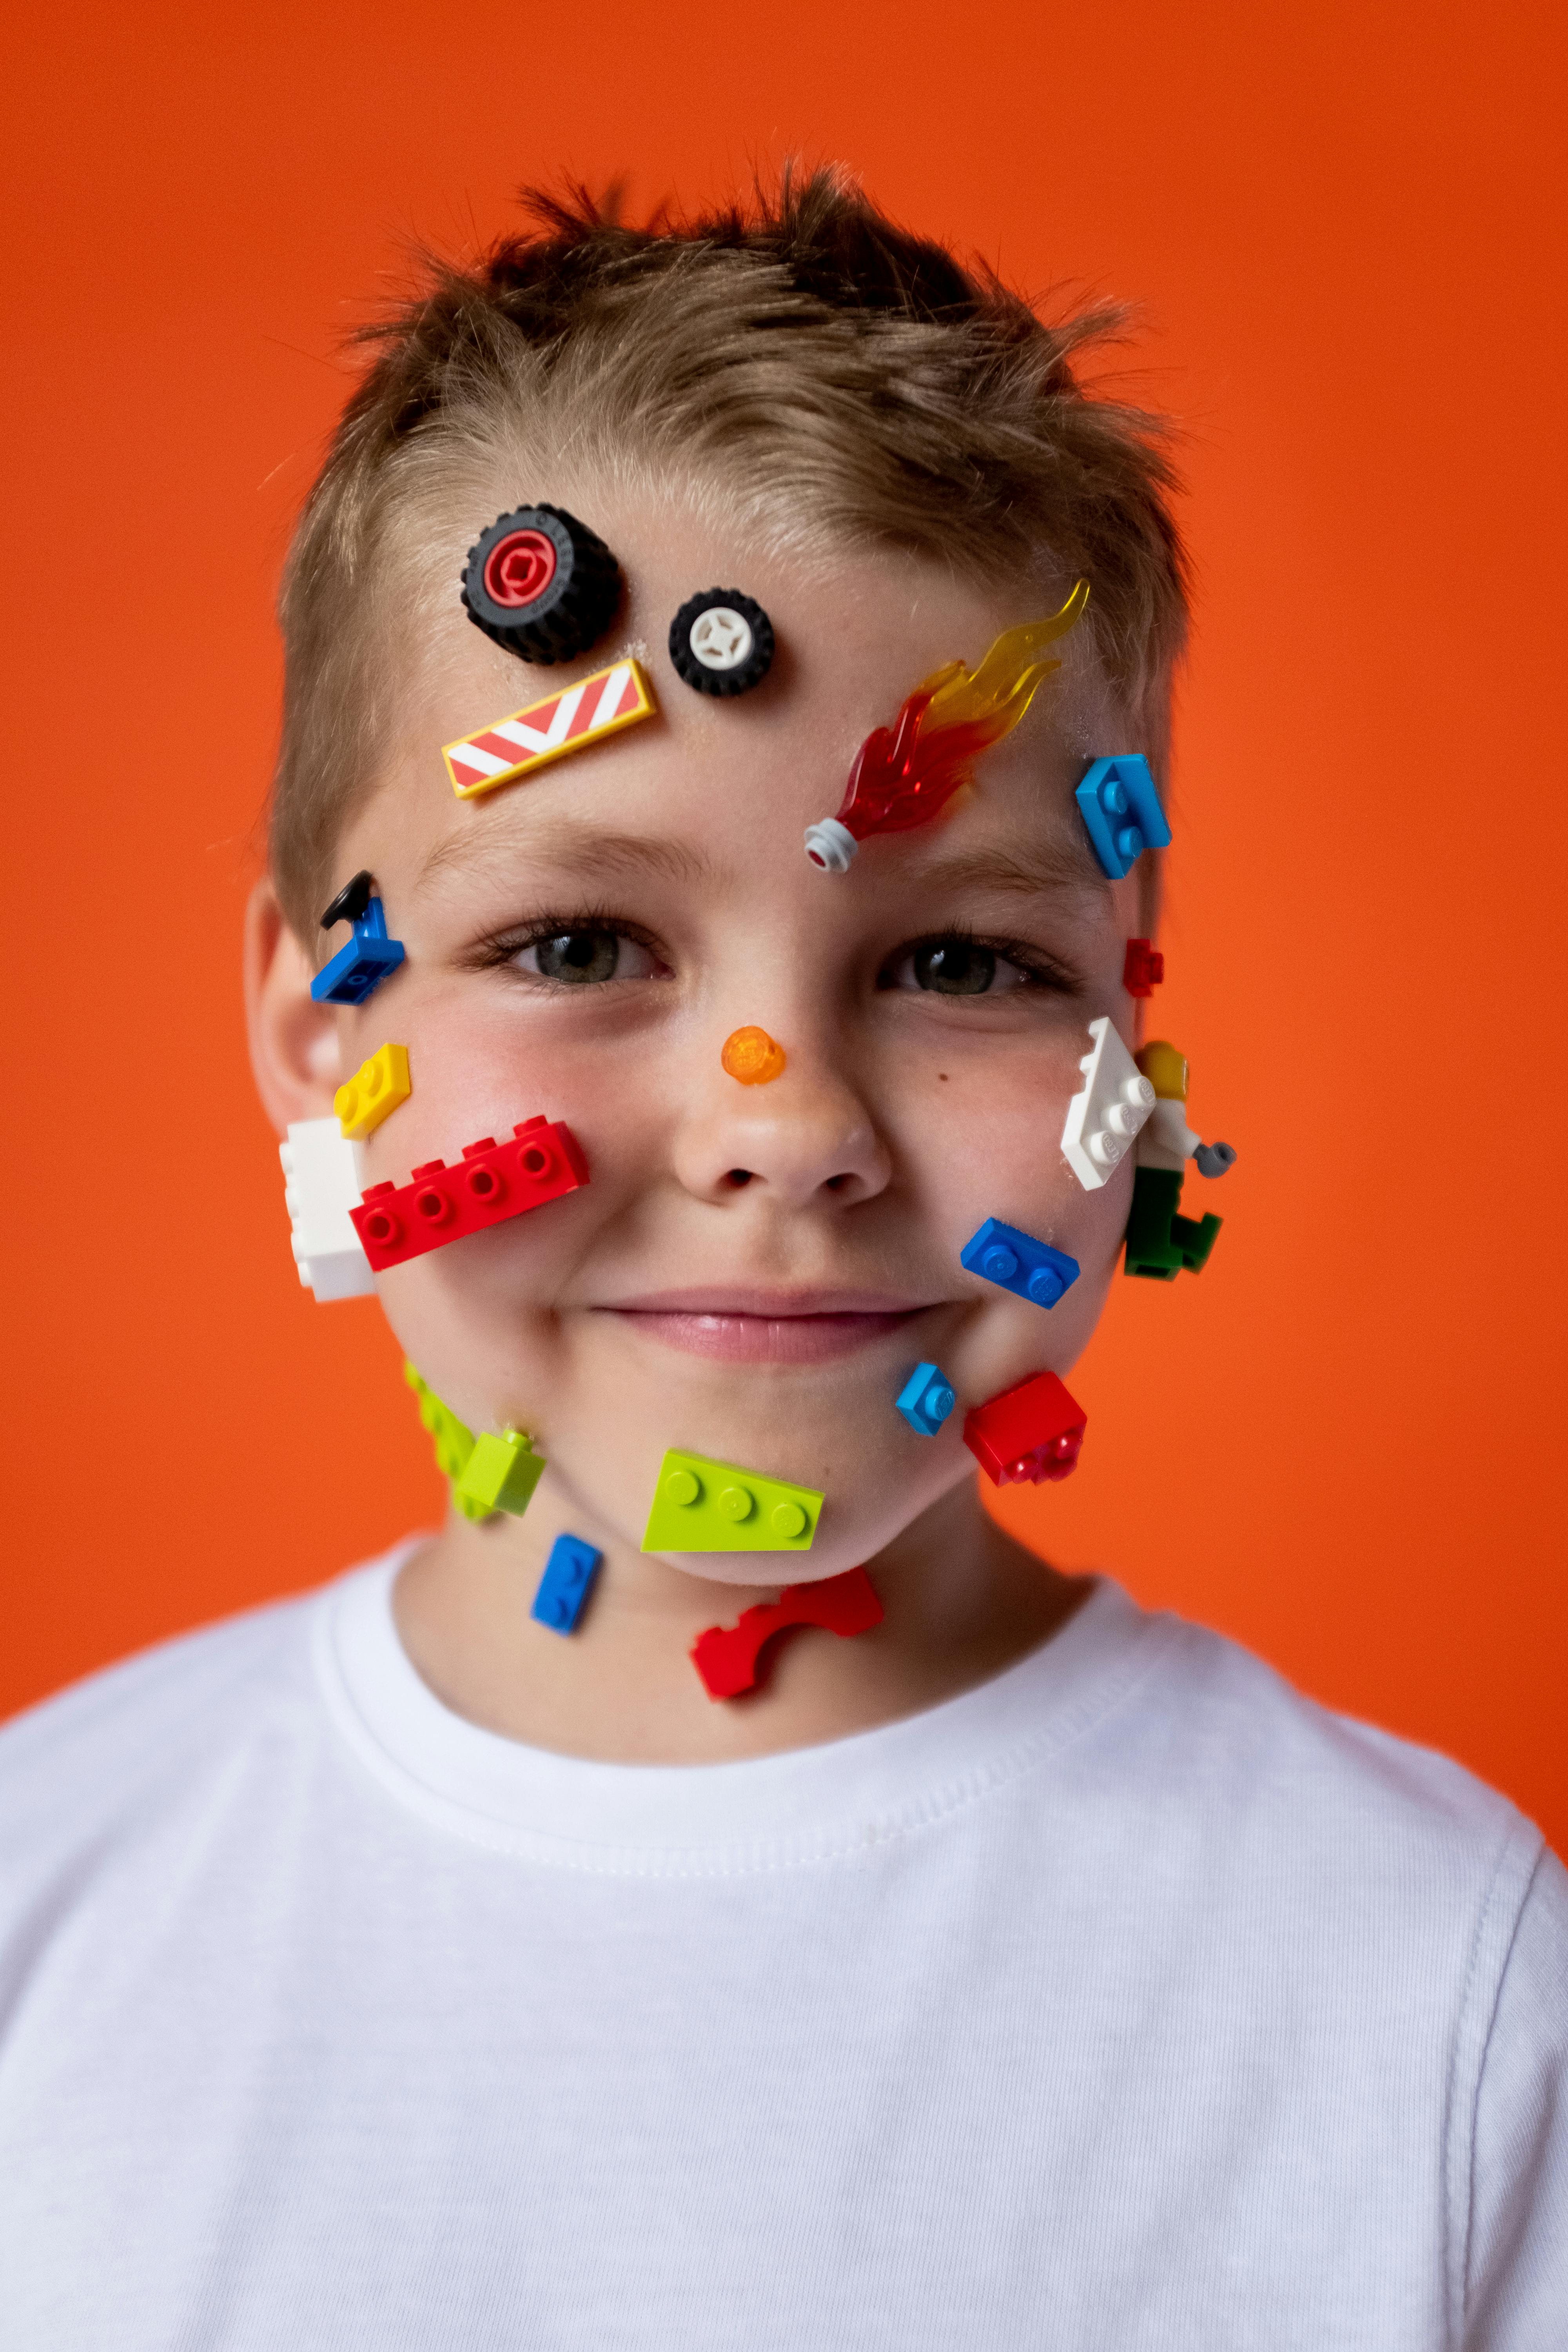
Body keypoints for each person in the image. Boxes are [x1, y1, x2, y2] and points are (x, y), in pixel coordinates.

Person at [1, 171, 1562, 2349]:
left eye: (961, 960)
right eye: (569, 941)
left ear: (1140, 1018)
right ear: (314, 1025)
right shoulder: (45, 1912)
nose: (789, 1127)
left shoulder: (1450, 1993)